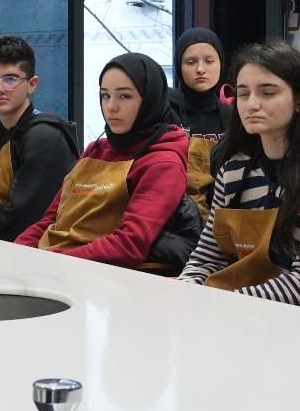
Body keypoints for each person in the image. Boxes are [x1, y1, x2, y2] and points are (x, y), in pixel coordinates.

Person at [179, 39, 300, 308]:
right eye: (243, 94)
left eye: (268, 93)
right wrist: (187, 295)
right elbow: (206, 258)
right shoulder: (234, 169)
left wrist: (219, 304)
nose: (252, 104)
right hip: (235, 312)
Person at [16, 54, 194, 268]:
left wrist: (51, 262)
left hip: (97, 274)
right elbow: (51, 219)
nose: (111, 106)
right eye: (105, 95)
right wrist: (18, 253)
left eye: (125, 96)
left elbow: (129, 245)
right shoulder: (95, 150)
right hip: (52, 263)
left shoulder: (163, 162)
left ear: (150, 99)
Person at [0, 35, 81, 244]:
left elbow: (22, 219)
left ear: (32, 84)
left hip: (22, 253)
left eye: (10, 79)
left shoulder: (47, 138)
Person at [174, 27, 229, 213]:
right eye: (190, 62)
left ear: (221, 64)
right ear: (179, 67)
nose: (200, 69)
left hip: (222, 215)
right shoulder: (165, 109)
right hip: (176, 215)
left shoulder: (233, 116)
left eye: (209, 61)